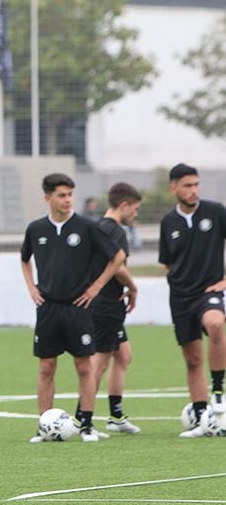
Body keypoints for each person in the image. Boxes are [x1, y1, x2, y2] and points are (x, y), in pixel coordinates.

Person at [20, 173, 125, 443]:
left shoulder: (86, 227)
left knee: (83, 366)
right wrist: (32, 287)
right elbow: (24, 259)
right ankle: (44, 426)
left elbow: (118, 256)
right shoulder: (36, 229)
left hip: (79, 306)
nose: (67, 200)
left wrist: (96, 287)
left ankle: (86, 425)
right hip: (48, 307)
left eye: (70, 195)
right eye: (61, 195)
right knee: (46, 367)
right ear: (48, 198)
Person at [158, 163, 226, 437]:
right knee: (193, 359)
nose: (194, 190)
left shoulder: (216, 212)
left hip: (209, 292)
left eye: (196, 184)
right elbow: (167, 263)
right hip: (180, 297)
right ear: (173, 188)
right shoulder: (168, 222)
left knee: (216, 324)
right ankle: (202, 419)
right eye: (188, 185)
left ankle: (219, 390)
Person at [84, 182, 143, 435]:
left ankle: (116, 416)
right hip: (107, 304)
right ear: (124, 205)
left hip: (102, 302)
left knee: (123, 355)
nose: (136, 215)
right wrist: (133, 287)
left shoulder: (96, 226)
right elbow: (118, 267)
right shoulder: (116, 232)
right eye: (135, 209)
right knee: (98, 363)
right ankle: (83, 418)